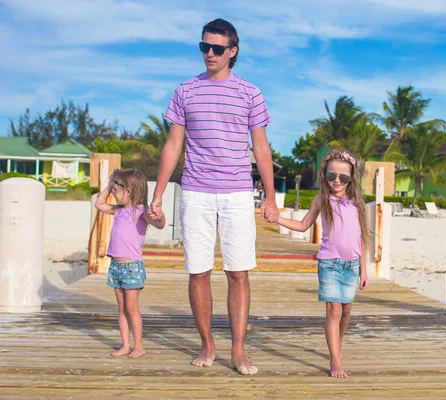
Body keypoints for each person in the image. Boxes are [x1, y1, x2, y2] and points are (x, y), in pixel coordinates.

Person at [148, 18, 279, 375]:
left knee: (238, 273)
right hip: (195, 193)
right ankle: (207, 343)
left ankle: (238, 350)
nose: (209, 53)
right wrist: (157, 195)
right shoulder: (185, 90)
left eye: (217, 48)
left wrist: (270, 197)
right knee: (198, 271)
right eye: (204, 46)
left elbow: (261, 147)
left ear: (232, 52)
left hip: (237, 193)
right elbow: (174, 145)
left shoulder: (250, 93)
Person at [267, 149, 369, 378]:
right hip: (329, 264)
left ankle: (338, 344)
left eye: (343, 177)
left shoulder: (356, 203)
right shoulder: (321, 199)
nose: (337, 181)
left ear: (351, 178)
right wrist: (278, 218)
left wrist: (364, 269)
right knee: (333, 310)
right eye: (332, 176)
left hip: (352, 265)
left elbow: (361, 237)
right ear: (324, 175)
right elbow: (303, 226)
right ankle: (334, 359)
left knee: (346, 311)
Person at [95, 168, 166, 359]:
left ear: (130, 191)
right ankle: (125, 345)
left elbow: (159, 224)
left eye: (117, 190)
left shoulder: (140, 212)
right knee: (121, 307)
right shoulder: (118, 210)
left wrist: (159, 217)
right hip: (116, 266)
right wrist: (110, 186)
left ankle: (139, 346)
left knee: (131, 308)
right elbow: (99, 203)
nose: (114, 193)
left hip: (132, 267)